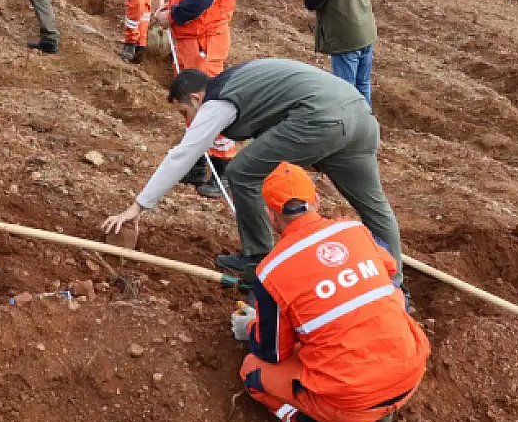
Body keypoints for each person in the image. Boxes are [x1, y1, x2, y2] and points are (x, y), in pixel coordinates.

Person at [100, 59, 404, 288]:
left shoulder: (217, 100)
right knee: (374, 207)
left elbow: (183, 154)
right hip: (359, 115)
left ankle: (259, 256)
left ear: (195, 98)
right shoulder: (244, 80)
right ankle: (394, 284)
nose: (188, 120)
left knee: (242, 172)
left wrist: (137, 206)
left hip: (320, 117)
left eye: (184, 112)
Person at [229, 162, 429, 422]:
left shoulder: (271, 271)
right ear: (317, 201)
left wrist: (252, 326)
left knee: (252, 372)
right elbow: (390, 274)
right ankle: (383, 413)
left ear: (270, 215)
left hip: (351, 400)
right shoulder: (355, 230)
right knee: (384, 304)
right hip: (410, 373)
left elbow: (271, 351)